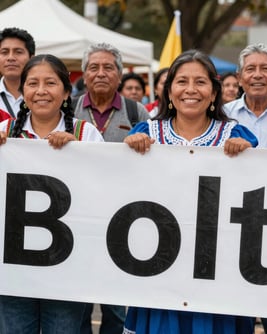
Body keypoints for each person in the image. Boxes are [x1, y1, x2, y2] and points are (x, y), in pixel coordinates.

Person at [123, 49, 258, 334]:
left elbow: (255, 192)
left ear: (213, 93)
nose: (190, 90)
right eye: (182, 81)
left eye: (200, 82)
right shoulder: (145, 132)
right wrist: (130, 150)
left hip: (217, 267)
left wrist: (248, 157)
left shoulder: (235, 135)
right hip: (159, 262)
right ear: (169, 91)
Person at [0, 54, 103, 333]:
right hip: (13, 266)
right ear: (22, 92)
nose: (41, 91)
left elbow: (105, 192)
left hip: (68, 264)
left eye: (51, 83)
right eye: (32, 83)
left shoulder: (87, 135)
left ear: (67, 92)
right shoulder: (4, 134)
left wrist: (78, 154)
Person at [74, 42, 149, 334]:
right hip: (78, 219)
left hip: (123, 221)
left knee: (117, 307)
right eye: (94, 67)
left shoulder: (136, 111)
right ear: (84, 74)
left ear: (119, 75)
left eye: (108, 67)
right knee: (78, 304)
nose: (101, 73)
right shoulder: (69, 108)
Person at [0, 27, 35, 118]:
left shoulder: (43, 95)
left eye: (18, 52)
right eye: (4, 52)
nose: (10, 58)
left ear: (31, 58)